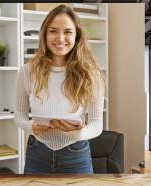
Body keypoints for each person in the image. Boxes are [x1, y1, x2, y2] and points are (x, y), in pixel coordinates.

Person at [14, 5, 105, 174]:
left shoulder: (92, 74)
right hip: (37, 153)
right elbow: (19, 115)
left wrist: (79, 134)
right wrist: (31, 126)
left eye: (68, 32)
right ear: (45, 34)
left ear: (77, 36)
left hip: (76, 155)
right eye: (53, 31)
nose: (60, 38)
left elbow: (97, 123)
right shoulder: (27, 71)